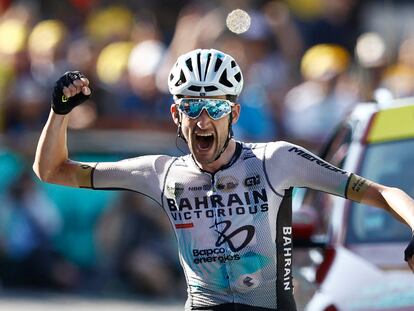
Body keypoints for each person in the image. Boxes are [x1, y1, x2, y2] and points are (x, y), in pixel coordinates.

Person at [33, 49, 414, 311]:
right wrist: (59, 113)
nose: (202, 119)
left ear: (232, 112)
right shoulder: (160, 173)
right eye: (191, 107)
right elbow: (52, 170)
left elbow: (384, 193)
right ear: (175, 114)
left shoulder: (276, 161)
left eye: (214, 107)